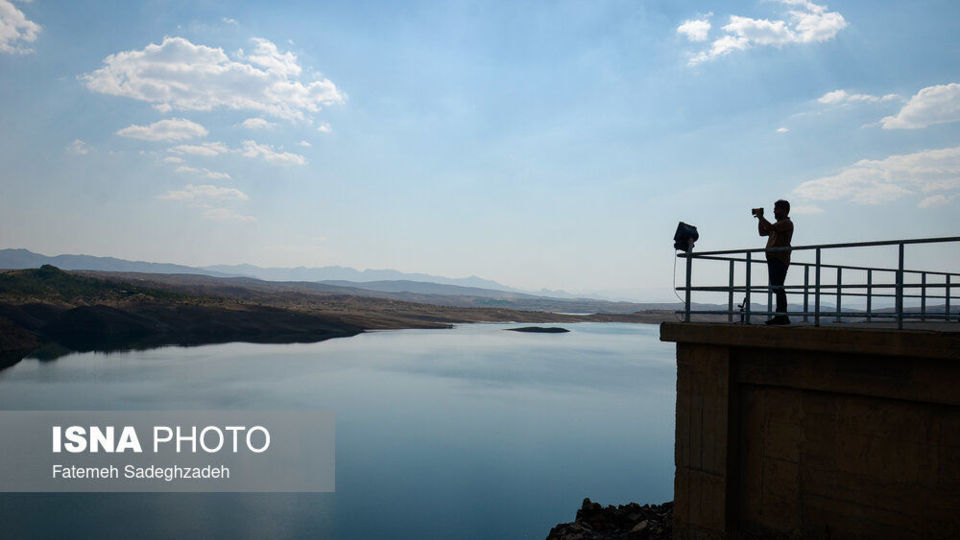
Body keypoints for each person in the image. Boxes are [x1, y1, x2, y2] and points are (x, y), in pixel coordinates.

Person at [755, 200, 793, 325]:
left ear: (784, 210)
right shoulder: (777, 225)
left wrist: (761, 217)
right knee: (776, 287)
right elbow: (762, 232)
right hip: (773, 258)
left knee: (778, 286)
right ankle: (781, 315)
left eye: (776, 209)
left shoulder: (786, 223)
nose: (774, 211)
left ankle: (782, 316)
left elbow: (770, 227)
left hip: (780, 259)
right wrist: (760, 219)